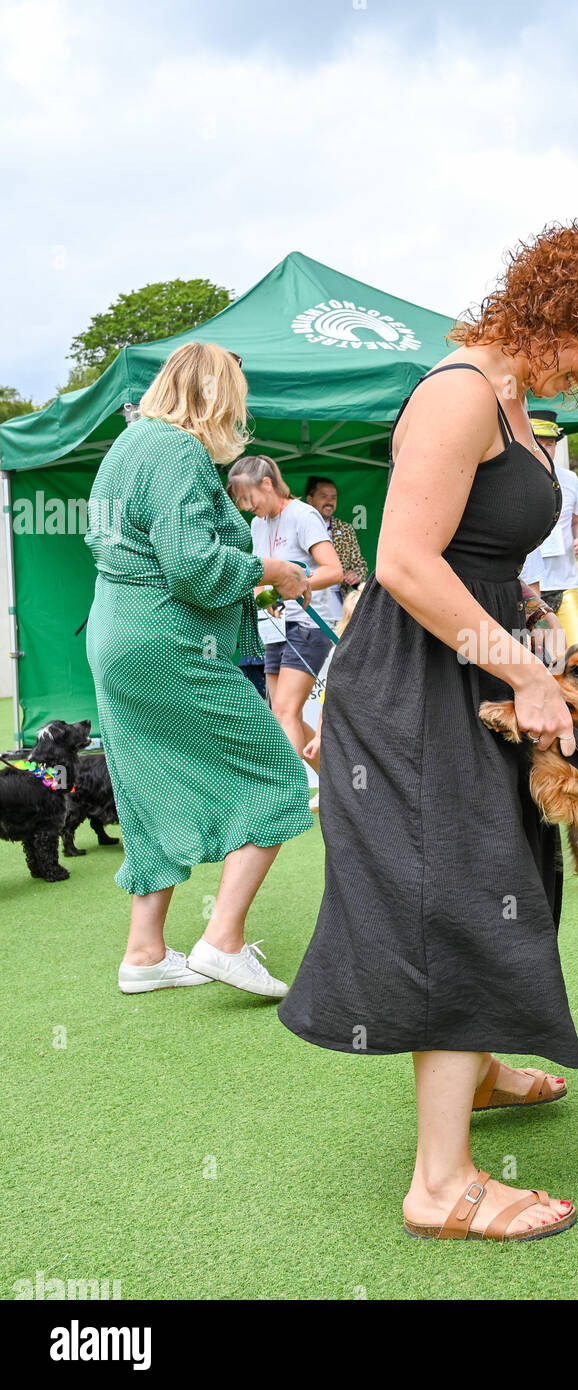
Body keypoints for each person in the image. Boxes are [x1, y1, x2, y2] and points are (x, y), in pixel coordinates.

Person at [279, 220, 578, 1242]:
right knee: (452, 891)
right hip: (417, 679)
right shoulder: (458, 392)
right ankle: (441, 1182)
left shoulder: (515, 402)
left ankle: (487, 1073)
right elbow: (409, 562)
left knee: (508, 870)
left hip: (475, 662)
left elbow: (484, 557)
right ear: (555, 307)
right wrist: (519, 670)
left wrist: (537, 628)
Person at [84, 342, 314, 998]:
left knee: (147, 789)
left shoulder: (129, 443)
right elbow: (191, 567)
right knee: (275, 778)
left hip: (118, 632)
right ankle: (223, 940)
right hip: (170, 636)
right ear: (216, 395)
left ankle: (145, 952)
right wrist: (266, 570)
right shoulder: (178, 450)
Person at [226, 457, 343, 780]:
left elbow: (333, 570)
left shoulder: (303, 515)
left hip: (308, 625)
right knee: (283, 714)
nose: (246, 506)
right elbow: (264, 580)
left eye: (249, 498)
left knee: (285, 711)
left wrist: (293, 585)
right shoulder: (257, 524)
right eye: (240, 501)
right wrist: (262, 594)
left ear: (267, 484)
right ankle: (338, 789)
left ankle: (288, 796)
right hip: (274, 628)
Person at [518, 412, 578, 648]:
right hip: (526, 589)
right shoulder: (512, 480)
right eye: (540, 443)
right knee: (543, 658)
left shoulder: (569, 479)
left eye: (550, 444)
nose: (545, 449)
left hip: (565, 582)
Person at [305, 475, 369, 604]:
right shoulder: (299, 526)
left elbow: (360, 566)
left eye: (333, 497)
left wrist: (356, 575)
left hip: (338, 599)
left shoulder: (346, 529)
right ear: (310, 499)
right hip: (307, 597)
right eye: (324, 496)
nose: (330, 501)